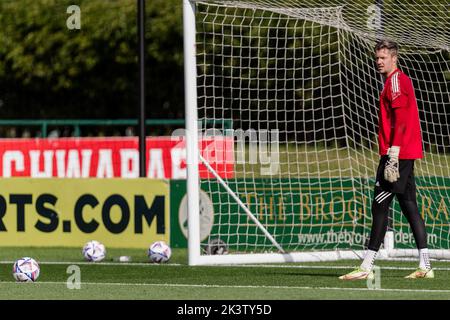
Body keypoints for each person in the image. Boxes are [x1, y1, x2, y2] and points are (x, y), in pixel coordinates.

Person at [339, 39, 433, 280]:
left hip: (397, 154)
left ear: (394, 58)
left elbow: (401, 120)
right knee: (409, 206)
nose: (379, 61)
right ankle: (425, 265)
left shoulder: (395, 82)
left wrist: (393, 153)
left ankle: (366, 266)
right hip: (405, 153)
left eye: (383, 57)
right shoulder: (395, 81)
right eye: (377, 57)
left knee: (379, 207)